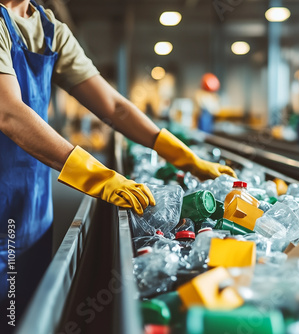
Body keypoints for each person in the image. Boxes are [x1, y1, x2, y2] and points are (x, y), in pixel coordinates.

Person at [0, 0, 236, 328]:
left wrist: (185, 157)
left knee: (23, 311)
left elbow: (113, 105)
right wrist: (99, 178)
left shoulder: (50, 30)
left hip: (33, 201)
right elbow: (8, 112)